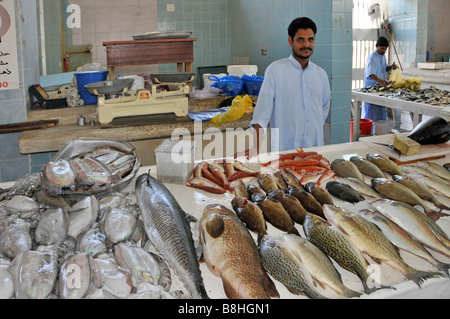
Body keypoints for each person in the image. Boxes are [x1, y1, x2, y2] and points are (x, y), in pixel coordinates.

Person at [237, 17, 331, 159]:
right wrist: (256, 147)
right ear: (290, 41)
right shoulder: (275, 70)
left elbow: (323, 111)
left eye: (310, 40)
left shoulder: (321, 75)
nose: (306, 44)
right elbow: (262, 115)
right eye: (300, 39)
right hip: (284, 154)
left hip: (314, 153)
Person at [362, 36, 398, 121]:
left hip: (380, 89)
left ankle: (379, 131)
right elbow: (370, 74)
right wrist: (380, 81)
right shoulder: (372, 57)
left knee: (380, 115)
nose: (383, 51)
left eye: (385, 49)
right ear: (377, 47)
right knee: (371, 115)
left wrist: (391, 67)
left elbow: (384, 68)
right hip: (371, 89)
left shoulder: (383, 56)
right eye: (382, 48)